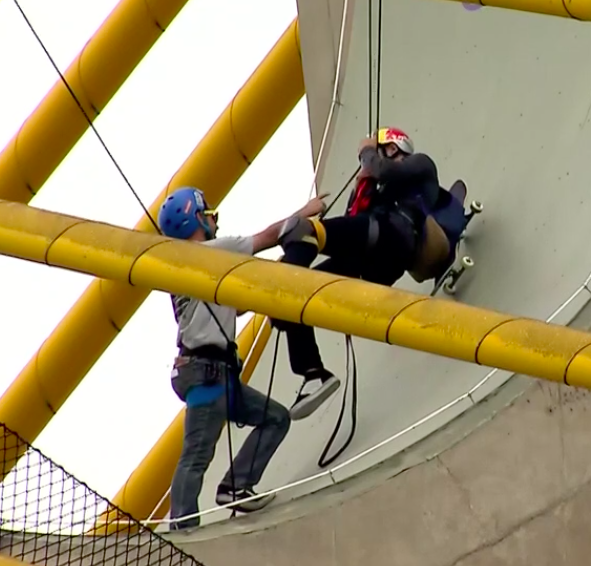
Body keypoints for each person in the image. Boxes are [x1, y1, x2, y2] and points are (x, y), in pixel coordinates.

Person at [161, 186, 327, 529]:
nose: (214, 221)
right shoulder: (211, 252)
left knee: (275, 418)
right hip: (208, 373)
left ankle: (237, 485)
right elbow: (266, 236)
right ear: (194, 219)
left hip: (213, 373)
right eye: (207, 215)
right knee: (196, 454)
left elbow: (230, 308)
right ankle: (182, 528)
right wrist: (306, 213)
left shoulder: (181, 271)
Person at [269, 126, 452, 420]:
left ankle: (291, 275)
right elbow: (351, 224)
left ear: (392, 148)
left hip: (392, 236)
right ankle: (313, 372)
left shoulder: (419, 165)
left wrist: (367, 152)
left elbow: (385, 172)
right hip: (372, 251)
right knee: (286, 302)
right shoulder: (374, 185)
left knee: (301, 229)